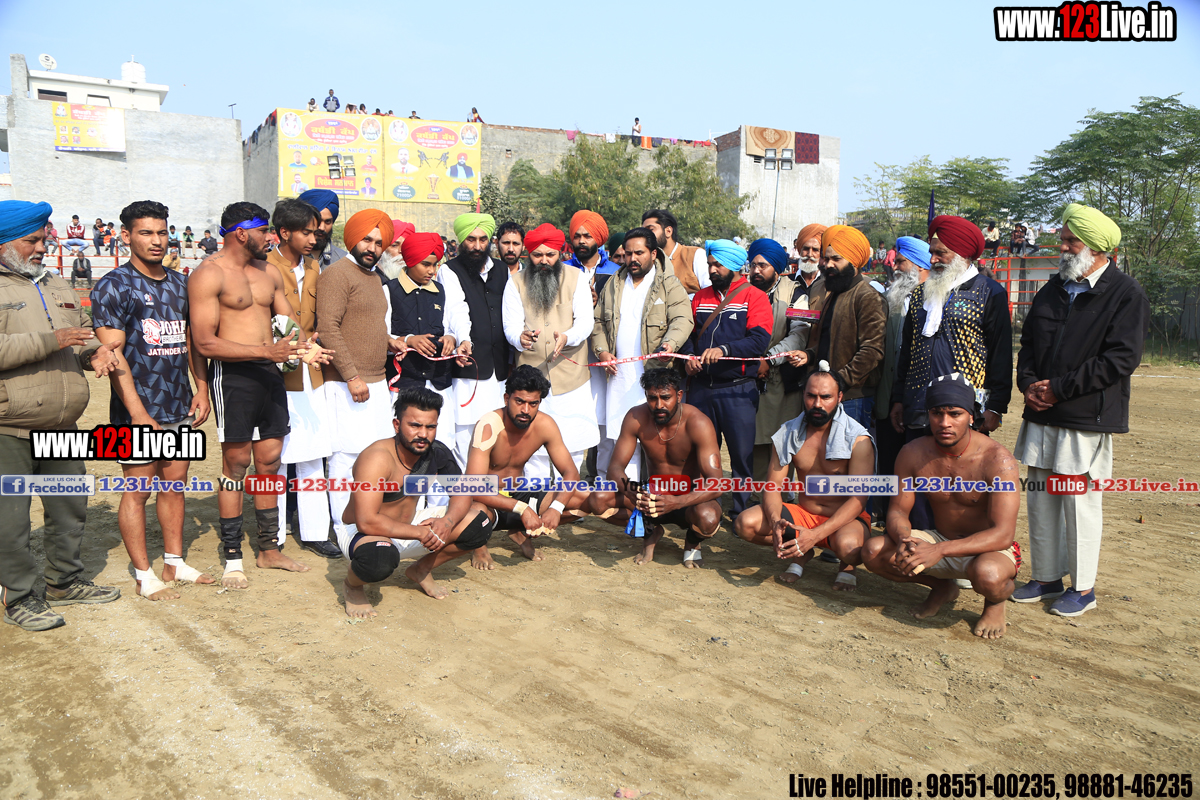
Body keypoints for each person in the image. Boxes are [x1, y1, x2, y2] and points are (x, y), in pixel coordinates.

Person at [1011, 204, 1148, 618]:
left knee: (1078, 501)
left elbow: (1120, 358)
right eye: (1063, 240)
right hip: (1042, 412)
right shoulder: (1053, 288)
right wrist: (1028, 385)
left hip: (1083, 416)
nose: (1063, 248)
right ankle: (1047, 578)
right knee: (1041, 499)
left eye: (1072, 241)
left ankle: (1083, 588)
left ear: (1098, 247)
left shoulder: (1125, 293)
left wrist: (1059, 389)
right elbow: (1029, 345)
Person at [0, 200, 121, 630]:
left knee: (69, 508)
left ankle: (64, 582)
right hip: (9, 428)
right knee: (10, 521)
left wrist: (94, 354)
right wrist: (53, 339)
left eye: (43, 239)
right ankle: (18, 598)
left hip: (62, 425)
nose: (41, 247)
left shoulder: (55, 283)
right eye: (31, 240)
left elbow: (79, 335)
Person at [188, 202, 321, 589]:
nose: (271, 237)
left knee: (270, 461)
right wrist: (267, 352)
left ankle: (268, 549)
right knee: (236, 464)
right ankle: (233, 556)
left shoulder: (268, 272)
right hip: (232, 377)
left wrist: (307, 347)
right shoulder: (208, 274)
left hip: (270, 372)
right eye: (264, 230)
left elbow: (288, 324)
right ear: (241, 233)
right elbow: (204, 342)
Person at [92, 200, 215, 601]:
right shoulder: (113, 286)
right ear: (126, 236)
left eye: (162, 232)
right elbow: (113, 355)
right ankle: (144, 575)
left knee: (175, 485)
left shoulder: (182, 283)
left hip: (179, 403)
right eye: (146, 233)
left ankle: (174, 563)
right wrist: (138, 413)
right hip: (137, 410)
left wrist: (201, 388)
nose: (156, 240)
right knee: (138, 489)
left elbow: (193, 342)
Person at [862, 374, 1021, 639]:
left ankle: (995, 603)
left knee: (989, 575)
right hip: (940, 538)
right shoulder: (913, 452)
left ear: (971, 416)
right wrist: (903, 538)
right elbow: (898, 510)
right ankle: (942, 588)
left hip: (988, 549)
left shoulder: (998, 460)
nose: (944, 422)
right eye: (937, 413)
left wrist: (939, 550)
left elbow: (1003, 534)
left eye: (955, 414)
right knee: (874, 551)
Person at [339, 388, 496, 615]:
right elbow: (367, 521)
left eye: (430, 427)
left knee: (479, 521)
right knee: (379, 558)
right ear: (397, 425)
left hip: (410, 527)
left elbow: (463, 493)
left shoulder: (436, 452)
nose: (423, 434)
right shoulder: (376, 458)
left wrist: (448, 522)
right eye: (414, 425)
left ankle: (421, 569)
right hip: (363, 533)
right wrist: (421, 533)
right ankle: (352, 586)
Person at [734, 368, 874, 591]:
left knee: (850, 548)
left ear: (839, 397)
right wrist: (775, 521)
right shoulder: (788, 432)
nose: (817, 404)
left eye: (826, 397)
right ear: (803, 395)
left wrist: (815, 535)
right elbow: (772, 487)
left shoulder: (858, 440)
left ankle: (847, 565)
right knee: (745, 524)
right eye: (811, 396)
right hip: (804, 514)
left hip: (845, 520)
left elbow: (859, 500)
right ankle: (802, 551)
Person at [316, 210, 400, 559]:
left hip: (377, 381)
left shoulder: (374, 277)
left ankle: (366, 520)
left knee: (374, 456)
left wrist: (391, 342)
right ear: (352, 239)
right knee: (345, 457)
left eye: (379, 242)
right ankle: (343, 528)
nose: (373, 247)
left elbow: (369, 324)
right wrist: (351, 376)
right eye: (367, 239)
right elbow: (329, 328)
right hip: (346, 383)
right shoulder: (336, 274)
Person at [890, 216, 1012, 450]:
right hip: (918, 407)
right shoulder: (919, 295)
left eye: (940, 253)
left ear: (962, 253)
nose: (932, 259)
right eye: (932, 253)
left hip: (965, 410)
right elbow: (907, 352)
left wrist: (996, 407)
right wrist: (898, 399)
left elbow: (1001, 354)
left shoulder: (989, 292)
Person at [264, 198, 341, 559]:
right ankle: (274, 533)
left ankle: (314, 532)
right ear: (284, 232)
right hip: (275, 374)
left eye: (316, 231)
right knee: (276, 456)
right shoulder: (264, 267)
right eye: (307, 232)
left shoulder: (314, 267)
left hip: (312, 371)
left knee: (313, 454)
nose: (315, 237)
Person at [588, 369, 723, 567]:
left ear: (679, 395)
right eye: (652, 398)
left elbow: (717, 484)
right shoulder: (636, 417)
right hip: (652, 496)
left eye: (666, 397)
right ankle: (650, 532)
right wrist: (633, 492)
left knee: (708, 518)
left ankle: (692, 542)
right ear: (646, 396)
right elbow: (615, 468)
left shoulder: (698, 423)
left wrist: (676, 502)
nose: (659, 405)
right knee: (598, 500)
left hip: (688, 498)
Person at [592, 226, 693, 481]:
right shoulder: (613, 284)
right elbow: (598, 322)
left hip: (653, 375)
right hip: (618, 376)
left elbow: (682, 319)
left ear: (653, 253)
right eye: (628, 253)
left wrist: (670, 344)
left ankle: (646, 492)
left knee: (651, 437)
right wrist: (602, 352)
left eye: (639, 253)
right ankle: (617, 490)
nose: (632, 259)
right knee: (617, 435)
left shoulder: (669, 284)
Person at [681, 239, 772, 517]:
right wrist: (688, 357)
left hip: (738, 390)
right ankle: (704, 509)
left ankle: (741, 512)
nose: (712, 270)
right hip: (701, 389)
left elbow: (759, 340)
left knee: (741, 456)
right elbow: (687, 335)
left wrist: (724, 350)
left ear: (734, 266)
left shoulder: (755, 297)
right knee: (700, 454)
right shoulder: (700, 297)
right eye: (710, 264)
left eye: (718, 265)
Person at [462, 365, 590, 563]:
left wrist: (556, 508)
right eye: (519, 401)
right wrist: (523, 509)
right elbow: (474, 487)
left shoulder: (545, 425)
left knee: (586, 498)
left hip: (518, 493)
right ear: (507, 399)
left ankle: (519, 531)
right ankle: (479, 546)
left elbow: (571, 473)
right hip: (487, 500)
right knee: (474, 513)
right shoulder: (489, 425)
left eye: (533, 404)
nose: (525, 410)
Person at [503, 223, 599, 480]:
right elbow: (510, 326)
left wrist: (567, 337)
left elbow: (585, 323)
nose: (544, 260)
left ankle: (568, 494)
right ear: (529, 254)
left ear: (560, 253)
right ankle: (537, 493)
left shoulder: (576, 278)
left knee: (573, 441)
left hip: (570, 377)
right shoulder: (515, 283)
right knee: (532, 446)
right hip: (531, 377)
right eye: (537, 255)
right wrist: (519, 338)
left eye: (550, 254)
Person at [793, 225, 887, 431]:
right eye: (826, 259)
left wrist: (838, 380)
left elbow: (872, 352)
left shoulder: (868, 296)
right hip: (827, 393)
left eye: (836, 259)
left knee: (849, 450)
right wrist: (809, 355)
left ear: (854, 261)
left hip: (852, 397)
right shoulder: (835, 293)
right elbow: (831, 340)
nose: (828, 264)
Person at [439, 213, 510, 469]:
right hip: (468, 367)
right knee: (466, 435)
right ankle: (466, 490)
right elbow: (456, 310)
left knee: (496, 432)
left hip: (499, 369)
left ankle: (490, 490)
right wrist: (464, 339)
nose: (477, 246)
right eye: (471, 239)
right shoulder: (449, 270)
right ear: (460, 241)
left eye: (482, 240)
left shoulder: (502, 270)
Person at [388, 232, 467, 452]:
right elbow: (381, 333)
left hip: (439, 382)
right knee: (407, 444)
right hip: (405, 382)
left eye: (435, 265)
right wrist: (408, 340)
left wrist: (451, 338)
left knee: (442, 444)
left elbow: (450, 325)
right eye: (426, 265)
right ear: (409, 261)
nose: (432, 271)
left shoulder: (441, 291)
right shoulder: (390, 290)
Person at [746, 237, 811, 483]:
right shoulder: (743, 292)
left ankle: (779, 495)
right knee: (753, 440)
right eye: (753, 265)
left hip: (782, 380)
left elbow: (799, 335)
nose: (756, 271)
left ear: (777, 268)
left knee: (781, 441)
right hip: (748, 377)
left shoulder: (796, 293)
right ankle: (754, 495)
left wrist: (769, 359)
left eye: (763, 266)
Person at [874, 237, 929, 518]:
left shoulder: (936, 300)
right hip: (888, 398)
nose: (894, 267)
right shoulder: (889, 299)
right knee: (888, 460)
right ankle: (886, 518)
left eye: (900, 262)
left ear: (919, 265)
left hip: (920, 400)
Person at [641, 209, 709, 295]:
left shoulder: (695, 255)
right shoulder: (648, 262)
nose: (645, 236)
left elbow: (709, 293)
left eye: (651, 230)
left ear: (668, 231)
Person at [297, 189, 347, 268]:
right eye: (318, 221)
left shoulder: (343, 261)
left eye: (327, 222)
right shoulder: (285, 256)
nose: (322, 228)